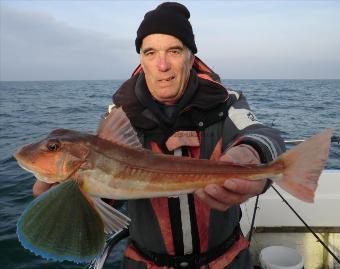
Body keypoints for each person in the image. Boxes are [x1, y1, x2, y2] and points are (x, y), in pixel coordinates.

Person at [33, 2, 285, 268]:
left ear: (191, 57)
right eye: (150, 52)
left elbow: (264, 135)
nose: (162, 65)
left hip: (225, 260)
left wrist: (251, 152)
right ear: (141, 59)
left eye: (174, 51)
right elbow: (109, 193)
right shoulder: (121, 117)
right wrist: (75, 200)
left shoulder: (224, 103)